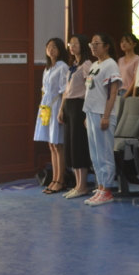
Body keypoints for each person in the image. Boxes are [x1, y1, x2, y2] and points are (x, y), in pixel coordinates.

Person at [82, 34, 122, 207]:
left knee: (104, 153)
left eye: (97, 44)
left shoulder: (111, 65)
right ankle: (100, 187)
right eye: (92, 43)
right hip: (92, 113)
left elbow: (112, 93)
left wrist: (106, 116)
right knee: (95, 154)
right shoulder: (94, 65)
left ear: (106, 46)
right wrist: (87, 115)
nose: (93, 46)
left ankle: (107, 190)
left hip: (102, 114)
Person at [58, 34, 93, 199]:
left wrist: (87, 111)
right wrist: (61, 109)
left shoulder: (87, 65)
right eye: (70, 44)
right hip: (69, 106)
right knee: (70, 145)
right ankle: (78, 185)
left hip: (80, 106)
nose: (71, 46)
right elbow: (66, 90)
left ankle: (83, 185)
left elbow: (89, 89)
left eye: (75, 44)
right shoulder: (73, 66)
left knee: (79, 145)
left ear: (83, 46)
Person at [34, 38, 70, 194]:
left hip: (56, 105)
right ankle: (54, 179)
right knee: (51, 144)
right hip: (46, 106)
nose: (51, 49)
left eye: (54, 47)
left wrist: (61, 110)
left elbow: (65, 91)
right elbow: (44, 90)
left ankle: (60, 180)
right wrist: (43, 110)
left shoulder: (63, 67)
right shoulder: (48, 68)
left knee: (58, 144)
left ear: (60, 50)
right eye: (48, 46)